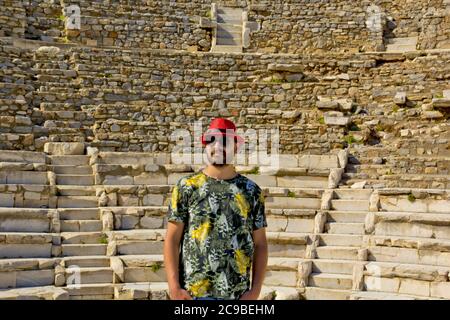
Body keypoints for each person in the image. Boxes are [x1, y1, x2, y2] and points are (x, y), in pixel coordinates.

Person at [163, 118, 268, 300]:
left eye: (225, 141)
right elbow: (172, 239)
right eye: (212, 140)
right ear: (206, 146)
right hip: (194, 294)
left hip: (237, 295)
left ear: (235, 148)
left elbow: (260, 244)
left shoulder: (251, 191)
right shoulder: (186, 187)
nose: (218, 147)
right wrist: (174, 287)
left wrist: (255, 291)